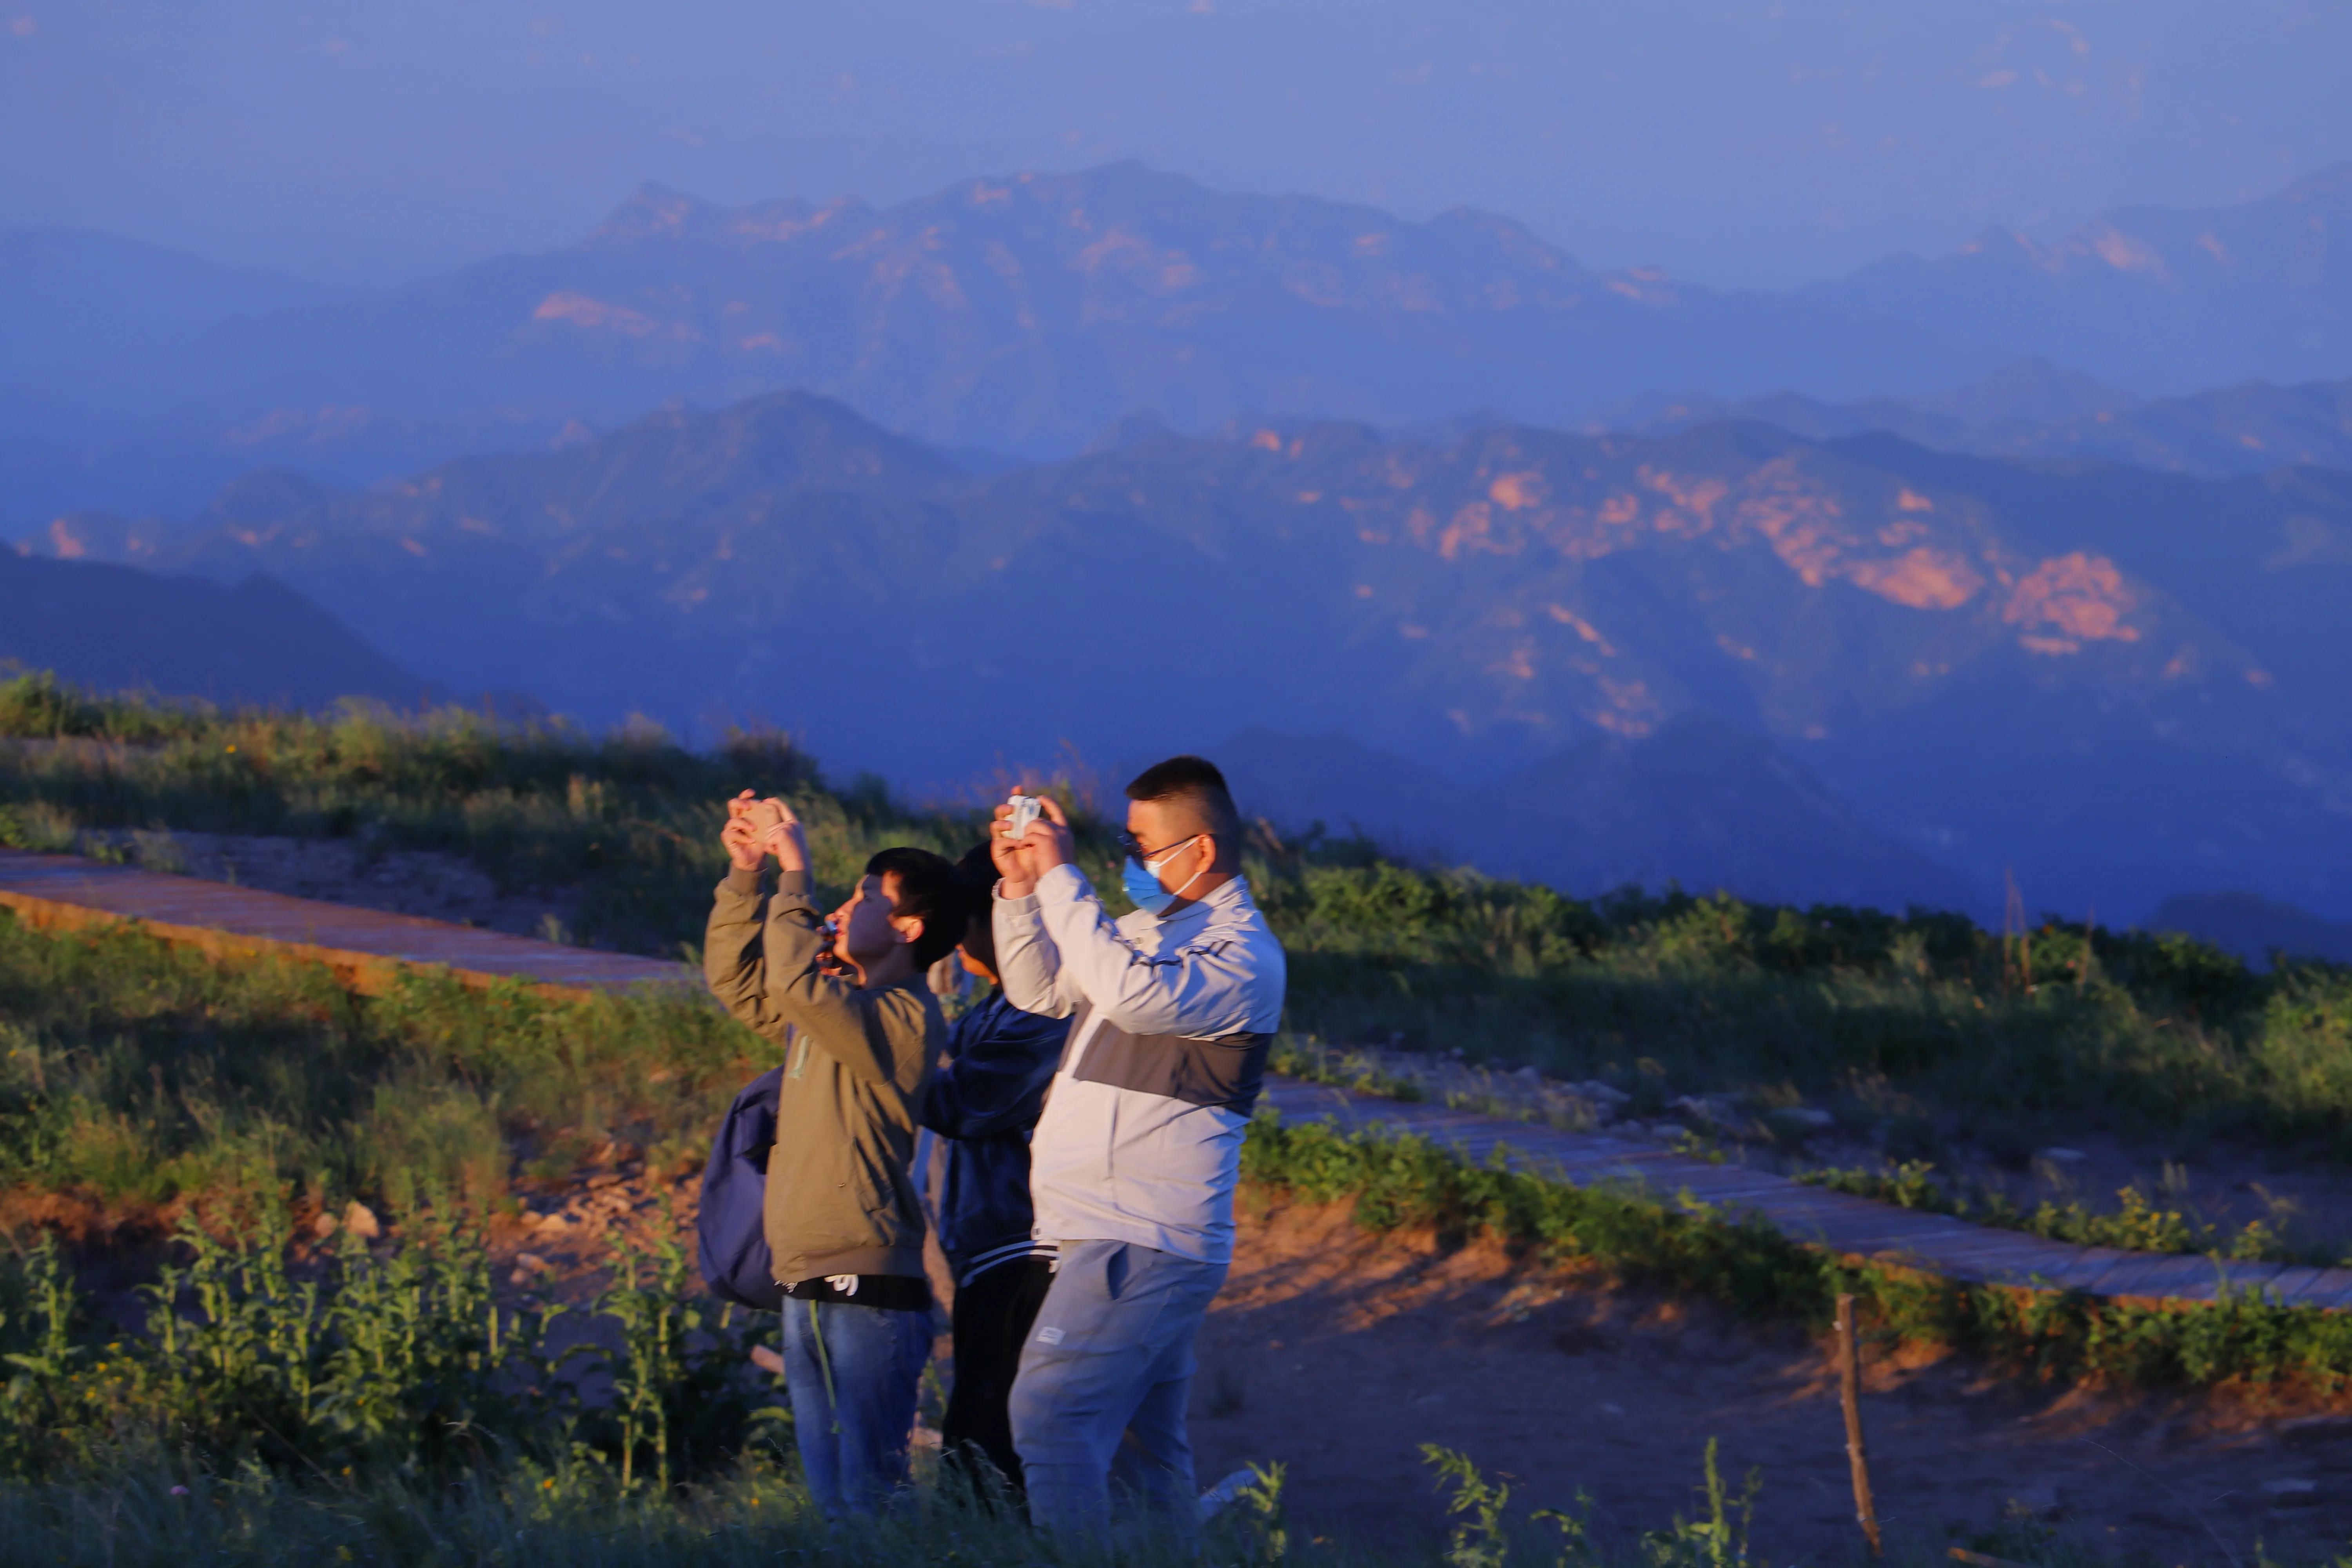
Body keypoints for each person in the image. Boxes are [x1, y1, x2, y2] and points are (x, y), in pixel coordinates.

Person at [990, 757, 1288, 1538]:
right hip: (1102, 1226)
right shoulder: (1149, 929)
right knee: (1147, 1452)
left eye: (1141, 842)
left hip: (1143, 1233)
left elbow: (1129, 994)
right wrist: (1023, 888)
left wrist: (1062, 877)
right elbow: (1042, 989)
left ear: (1204, 847)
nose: (1128, 859)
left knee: (1049, 1414)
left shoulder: (1243, 957)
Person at [705, 791, 963, 1519]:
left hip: (869, 1284)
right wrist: (746, 876)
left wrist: (796, 877)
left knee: (870, 1502)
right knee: (834, 1508)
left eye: (866, 898)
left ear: (908, 926)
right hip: (804, 1275)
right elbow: (742, 982)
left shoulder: (908, 1018)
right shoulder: (832, 1006)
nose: (845, 912)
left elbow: (794, 982)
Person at [915, 843, 1072, 1502]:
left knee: (992, 1448)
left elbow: (964, 1102)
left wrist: (876, 1045)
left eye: (960, 922)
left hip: (1024, 1256)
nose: (955, 939)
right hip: (985, 1255)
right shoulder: (993, 1009)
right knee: (974, 1439)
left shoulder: (1043, 1014)